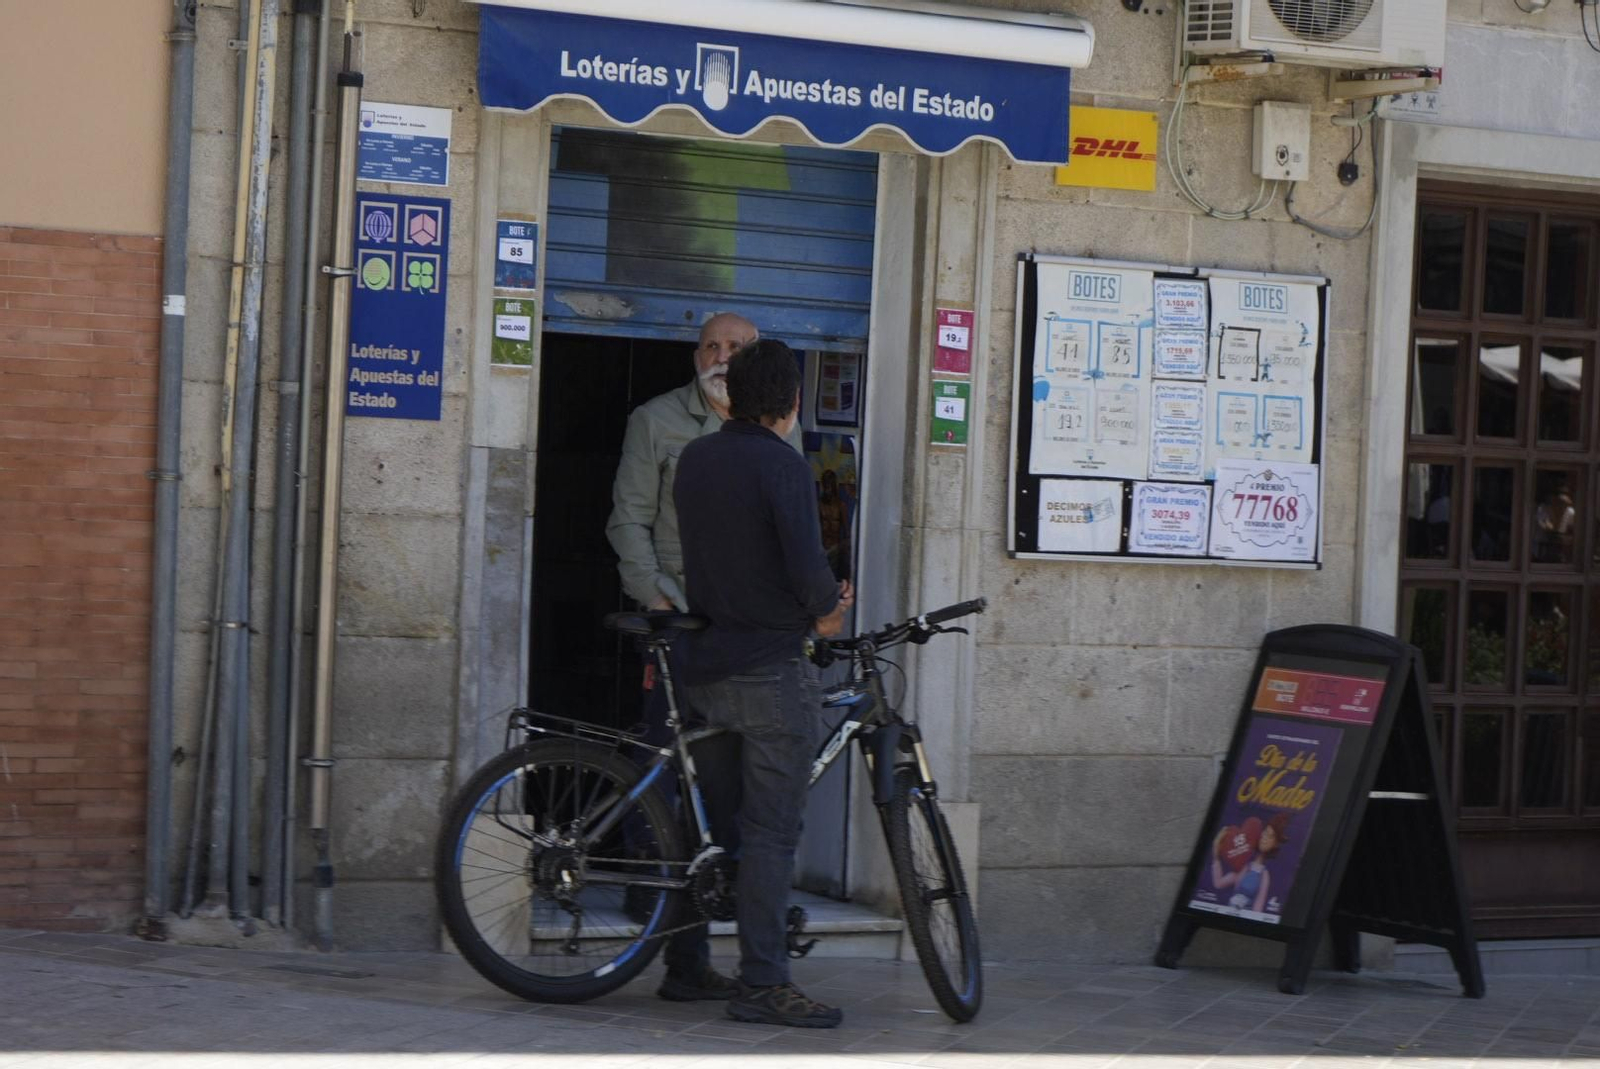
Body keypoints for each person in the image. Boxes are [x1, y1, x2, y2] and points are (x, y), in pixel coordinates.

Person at [603, 313, 797, 1002]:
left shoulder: (782, 425)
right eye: (712, 346)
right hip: (681, 625)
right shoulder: (656, 420)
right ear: (695, 355)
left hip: (744, 634)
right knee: (665, 774)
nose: (721, 357)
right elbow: (627, 518)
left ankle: (690, 963)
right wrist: (657, 599)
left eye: (735, 348)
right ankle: (650, 897)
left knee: (724, 801)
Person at [673, 339, 854, 1028]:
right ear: (793, 402)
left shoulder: (697, 457)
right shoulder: (782, 465)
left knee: (715, 834)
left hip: (706, 665)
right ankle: (764, 981)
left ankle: (686, 966)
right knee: (771, 834)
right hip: (773, 671)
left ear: (731, 394)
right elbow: (809, 575)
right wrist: (830, 607)